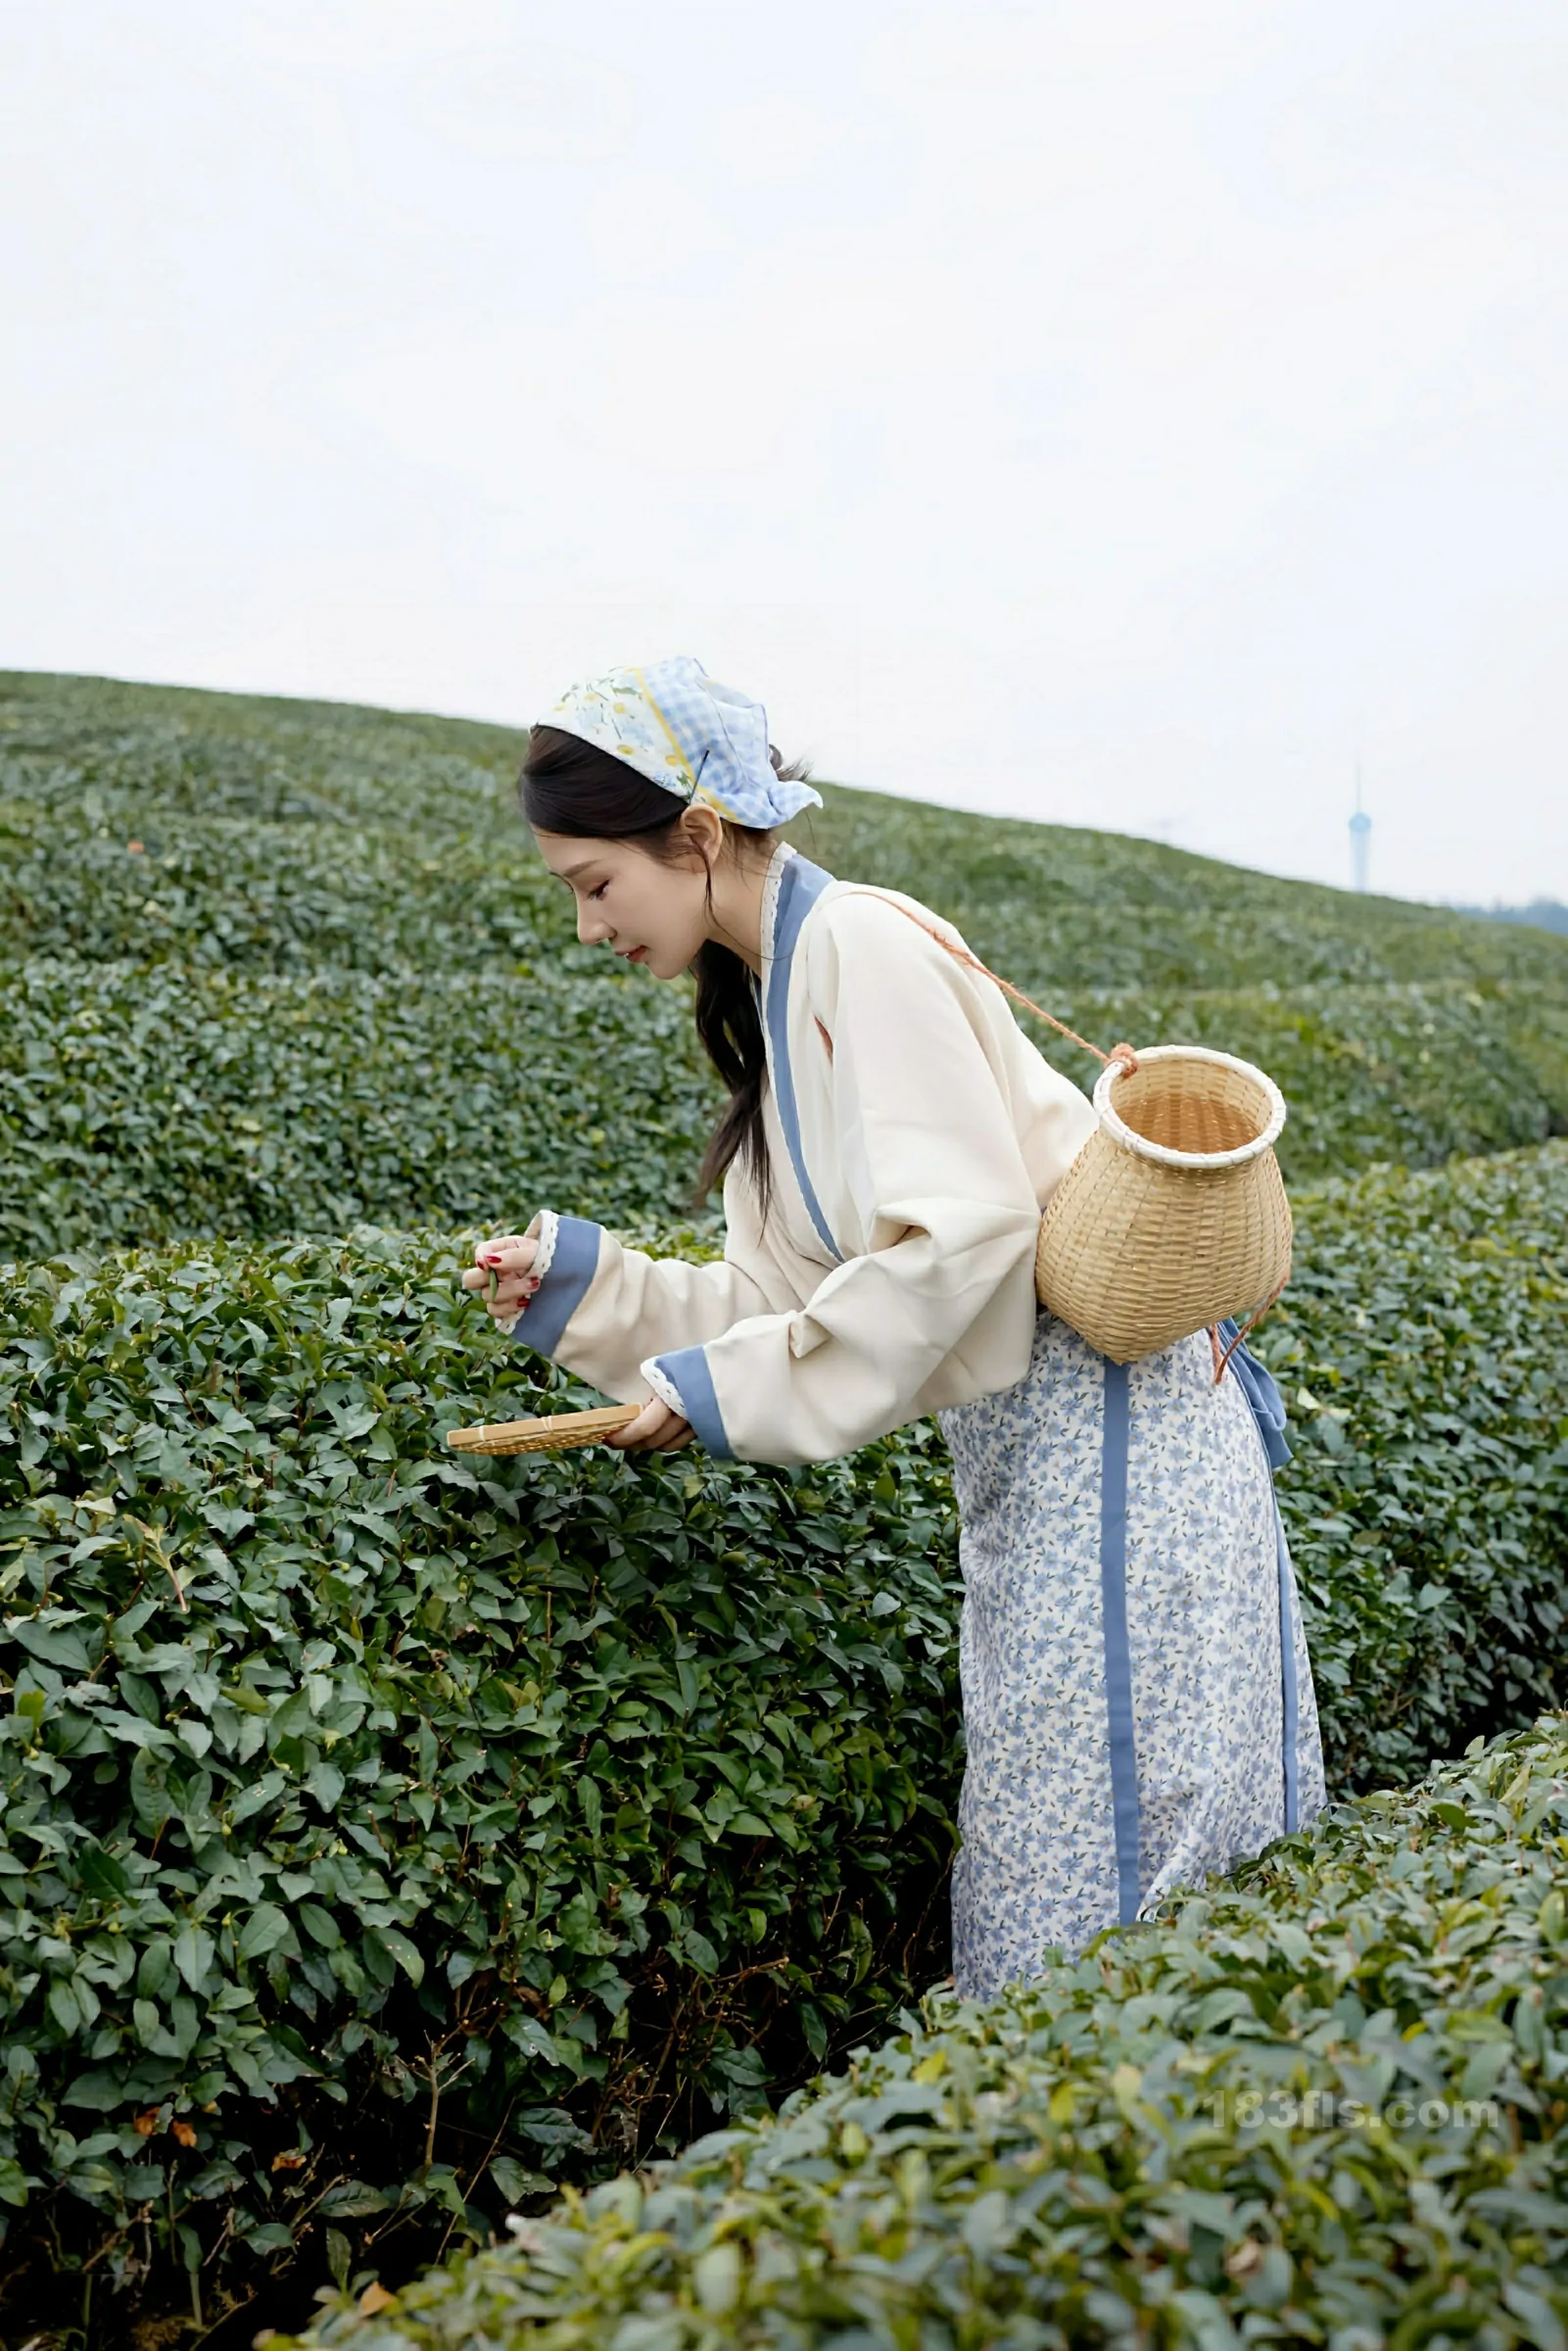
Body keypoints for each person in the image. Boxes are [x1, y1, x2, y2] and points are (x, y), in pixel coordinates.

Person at [462, 655, 1327, 1999]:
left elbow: (960, 1241)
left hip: (1119, 1452)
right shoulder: (776, 991)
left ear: (697, 835)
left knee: (1110, 1883)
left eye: (594, 884)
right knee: (1076, 1876)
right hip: (1039, 1467)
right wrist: (584, 1287)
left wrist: (719, 1390)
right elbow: (781, 1304)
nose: (588, 927)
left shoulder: (856, 945)